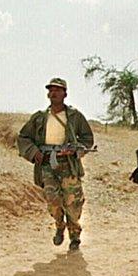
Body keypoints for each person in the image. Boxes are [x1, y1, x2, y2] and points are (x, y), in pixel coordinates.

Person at [17, 78, 95, 251]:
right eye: (51, 90)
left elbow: (87, 139)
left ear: (65, 94)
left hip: (68, 164)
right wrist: (33, 152)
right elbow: (23, 137)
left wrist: (76, 150)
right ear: (48, 94)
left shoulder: (74, 116)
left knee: (73, 203)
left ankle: (74, 236)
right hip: (47, 164)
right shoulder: (39, 118)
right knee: (52, 201)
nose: (54, 93)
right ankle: (59, 225)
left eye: (58, 90)